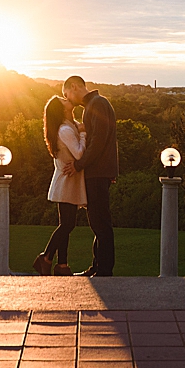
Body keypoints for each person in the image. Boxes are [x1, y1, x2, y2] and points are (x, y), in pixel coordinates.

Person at [63, 75, 118, 276]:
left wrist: (78, 165)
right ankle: (98, 267)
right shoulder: (94, 105)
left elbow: (99, 142)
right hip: (98, 172)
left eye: (67, 94)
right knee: (97, 222)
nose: (69, 100)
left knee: (101, 223)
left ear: (75, 86)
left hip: (97, 172)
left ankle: (104, 271)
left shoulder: (97, 104)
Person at [35, 95, 85, 276]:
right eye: (63, 100)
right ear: (62, 109)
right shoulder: (64, 130)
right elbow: (79, 154)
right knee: (67, 225)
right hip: (66, 182)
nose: (67, 99)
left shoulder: (69, 126)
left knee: (66, 224)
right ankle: (46, 257)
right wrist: (84, 132)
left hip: (68, 182)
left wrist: (79, 128)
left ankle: (62, 265)